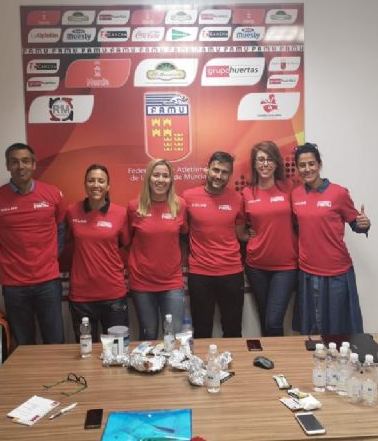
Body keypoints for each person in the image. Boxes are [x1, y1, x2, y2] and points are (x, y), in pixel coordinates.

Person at [0, 142, 66, 345]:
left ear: (34, 165)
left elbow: (62, 230)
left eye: (26, 161)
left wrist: (49, 257)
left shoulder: (53, 194)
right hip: (14, 285)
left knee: (55, 342)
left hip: (48, 281)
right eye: (15, 162)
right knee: (23, 344)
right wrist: (11, 262)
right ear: (7, 166)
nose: (21, 166)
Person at [291, 142, 371, 335]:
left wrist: (364, 224)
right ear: (297, 168)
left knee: (339, 329)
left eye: (311, 163)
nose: (307, 169)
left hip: (337, 271)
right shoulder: (295, 195)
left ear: (319, 164)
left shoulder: (339, 193)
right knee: (312, 330)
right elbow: (297, 227)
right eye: (302, 165)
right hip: (307, 271)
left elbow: (355, 224)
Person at [183, 152, 246, 338]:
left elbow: (240, 233)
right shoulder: (188, 197)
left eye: (224, 172)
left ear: (230, 175)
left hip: (231, 271)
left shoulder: (237, 199)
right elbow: (181, 229)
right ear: (207, 170)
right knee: (202, 330)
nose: (219, 176)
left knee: (233, 330)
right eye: (216, 170)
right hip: (200, 273)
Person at [66, 164, 130, 342]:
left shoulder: (121, 213)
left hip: (113, 294)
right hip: (81, 296)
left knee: (118, 349)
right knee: (87, 352)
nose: (96, 185)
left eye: (101, 181)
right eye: (91, 180)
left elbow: (125, 244)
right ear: (85, 184)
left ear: (108, 186)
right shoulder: (72, 211)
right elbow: (65, 240)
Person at [240, 141, 298, 336]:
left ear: (276, 163)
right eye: (261, 160)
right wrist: (247, 235)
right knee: (265, 318)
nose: (265, 164)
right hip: (256, 265)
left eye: (269, 159)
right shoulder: (247, 193)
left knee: (273, 321)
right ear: (255, 164)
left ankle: (276, 355)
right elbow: (239, 227)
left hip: (285, 266)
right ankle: (269, 355)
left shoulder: (289, 187)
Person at [127, 159, 188, 340]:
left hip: (172, 282)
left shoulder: (180, 205)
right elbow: (127, 240)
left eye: (165, 176)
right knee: (149, 335)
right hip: (142, 282)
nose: (161, 180)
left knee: (174, 336)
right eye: (156, 175)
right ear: (148, 178)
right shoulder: (134, 207)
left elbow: (183, 234)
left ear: (171, 180)